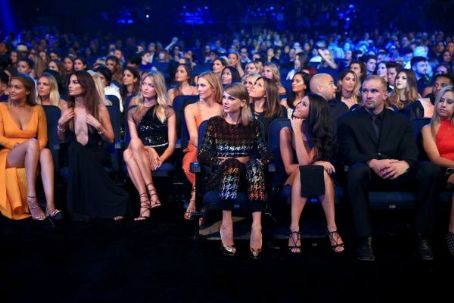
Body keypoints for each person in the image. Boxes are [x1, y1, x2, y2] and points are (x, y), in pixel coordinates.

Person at [338, 75, 440, 261]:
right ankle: (364, 239)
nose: (368, 95)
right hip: (368, 173)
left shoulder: (400, 121)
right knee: (356, 171)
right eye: (365, 91)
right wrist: (371, 162)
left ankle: (422, 237)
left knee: (430, 170)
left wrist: (405, 164)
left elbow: (410, 150)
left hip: (397, 171)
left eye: (374, 91)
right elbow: (348, 153)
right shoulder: (348, 120)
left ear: (385, 95)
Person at [198, 83, 271, 258]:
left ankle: (256, 225)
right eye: (224, 97)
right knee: (231, 165)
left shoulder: (253, 124)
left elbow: (265, 153)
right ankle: (226, 221)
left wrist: (256, 161)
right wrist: (221, 161)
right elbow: (203, 154)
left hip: (247, 179)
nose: (225, 101)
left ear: (243, 102)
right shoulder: (214, 123)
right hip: (220, 176)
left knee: (254, 166)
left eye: (231, 98)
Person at [57, 71, 128, 220]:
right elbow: (62, 139)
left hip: (95, 153)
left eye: (75, 82)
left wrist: (98, 126)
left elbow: (110, 139)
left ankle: (83, 208)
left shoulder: (99, 109)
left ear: (86, 85)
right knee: (75, 149)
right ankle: (93, 207)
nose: (70, 85)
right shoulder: (67, 109)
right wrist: (61, 125)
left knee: (80, 152)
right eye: (70, 82)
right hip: (73, 155)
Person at [280, 94, 344, 254]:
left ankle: (332, 227)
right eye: (299, 103)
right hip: (293, 177)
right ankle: (294, 227)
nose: (298, 106)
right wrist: (295, 129)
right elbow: (290, 167)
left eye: (304, 104)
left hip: (315, 176)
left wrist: (315, 165)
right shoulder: (286, 131)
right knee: (311, 170)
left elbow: (305, 163)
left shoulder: (319, 133)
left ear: (314, 111)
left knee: (318, 172)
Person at [0, 74, 60, 220]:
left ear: (27, 91)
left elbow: (43, 139)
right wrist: (20, 145)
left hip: (33, 154)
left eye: (17, 87)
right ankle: (32, 199)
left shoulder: (37, 110)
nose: (12, 90)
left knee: (45, 152)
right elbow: (0, 137)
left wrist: (31, 149)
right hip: (10, 155)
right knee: (32, 143)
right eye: (10, 87)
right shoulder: (1, 107)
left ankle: (51, 206)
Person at [123, 71, 176, 220]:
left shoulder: (167, 110)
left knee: (127, 155)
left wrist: (160, 159)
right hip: (141, 150)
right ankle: (150, 194)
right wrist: (148, 148)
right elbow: (133, 141)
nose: (146, 88)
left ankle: (144, 203)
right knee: (130, 149)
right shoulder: (133, 111)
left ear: (158, 89)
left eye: (151, 85)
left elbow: (172, 145)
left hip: (161, 153)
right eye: (144, 84)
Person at [182, 72, 223, 220]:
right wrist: (206, 150)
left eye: (202, 85)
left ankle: (195, 202)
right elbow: (193, 137)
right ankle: (199, 202)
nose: (198, 88)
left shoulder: (222, 108)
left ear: (213, 88)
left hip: (219, 149)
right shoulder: (190, 108)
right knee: (194, 162)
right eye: (198, 85)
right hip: (197, 147)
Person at [421, 85, 454, 256]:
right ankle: (452, 233)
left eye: (449, 102)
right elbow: (435, 158)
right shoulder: (427, 128)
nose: (443, 105)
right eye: (441, 100)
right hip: (441, 172)